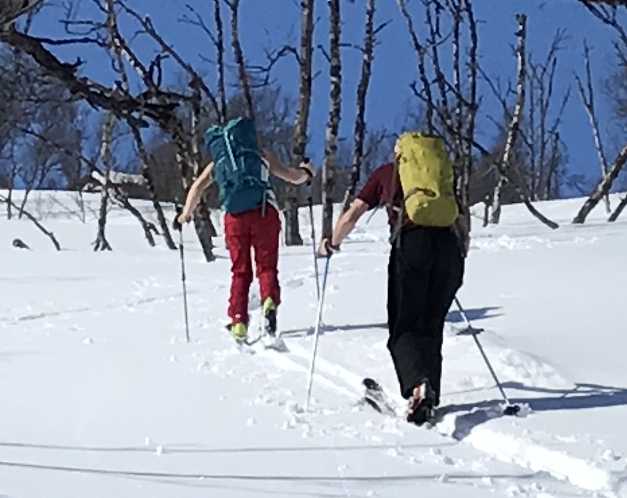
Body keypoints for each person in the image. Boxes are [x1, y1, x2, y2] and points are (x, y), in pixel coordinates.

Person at [320, 129, 466, 421]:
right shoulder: (442, 174)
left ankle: (418, 386)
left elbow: (353, 214)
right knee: (432, 324)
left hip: (411, 245)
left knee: (404, 325)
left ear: (399, 153)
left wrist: (331, 243)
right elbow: (461, 219)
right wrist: (459, 254)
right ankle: (428, 394)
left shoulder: (389, 173)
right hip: (449, 249)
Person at [177, 110, 312, 343]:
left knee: (240, 271)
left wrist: (184, 215)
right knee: (267, 267)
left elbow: (197, 188)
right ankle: (269, 302)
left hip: (235, 219)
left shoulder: (218, 163)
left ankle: (238, 321)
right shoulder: (261, 156)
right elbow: (292, 177)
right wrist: (308, 172)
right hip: (264, 212)